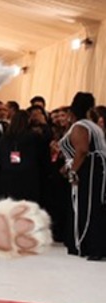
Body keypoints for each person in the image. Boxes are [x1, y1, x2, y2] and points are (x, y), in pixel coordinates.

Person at [58, 92, 106, 260]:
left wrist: (72, 171)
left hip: (90, 169)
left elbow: (82, 150)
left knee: (87, 206)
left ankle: (88, 245)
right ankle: (95, 245)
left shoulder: (80, 126)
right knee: (96, 206)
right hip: (98, 168)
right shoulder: (94, 126)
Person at [0, 110, 47, 204]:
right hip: (29, 180)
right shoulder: (34, 137)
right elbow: (43, 158)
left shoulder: (4, 138)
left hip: (7, 178)